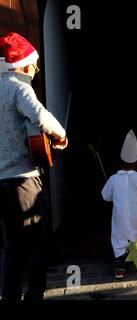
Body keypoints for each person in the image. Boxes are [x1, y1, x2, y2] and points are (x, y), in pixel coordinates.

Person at [0, 32, 68, 300]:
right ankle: (35, 296)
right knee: (38, 243)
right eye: (35, 65)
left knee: (10, 246)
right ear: (25, 65)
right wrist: (60, 135)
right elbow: (40, 116)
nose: (35, 70)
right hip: (23, 180)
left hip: (0, 181)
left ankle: (10, 295)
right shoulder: (19, 87)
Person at [101, 130, 137, 279]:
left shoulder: (113, 179)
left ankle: (120, 265)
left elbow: (105, 196)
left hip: (120, 217)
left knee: (119, 237)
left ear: (120, 162)